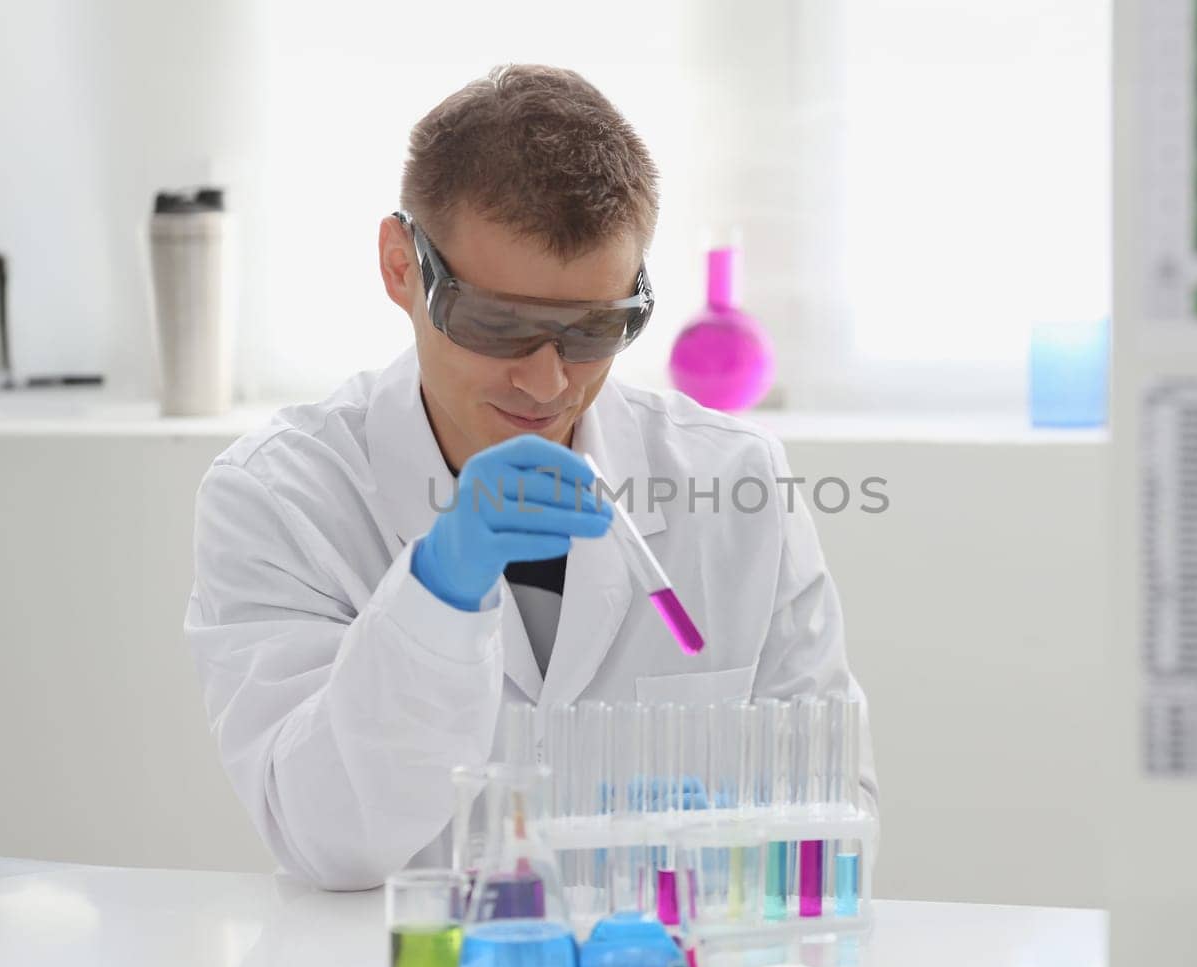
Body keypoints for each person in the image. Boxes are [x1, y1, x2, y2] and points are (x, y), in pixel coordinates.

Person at [186, 64, 875, 890]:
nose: (547, 383)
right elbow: (327, 840)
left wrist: (708, 840)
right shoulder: (279, 498)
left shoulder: (737, 483)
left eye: (595, 329)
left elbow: (835, 821)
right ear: (402, 268)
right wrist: (437, 597)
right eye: (498, 324)